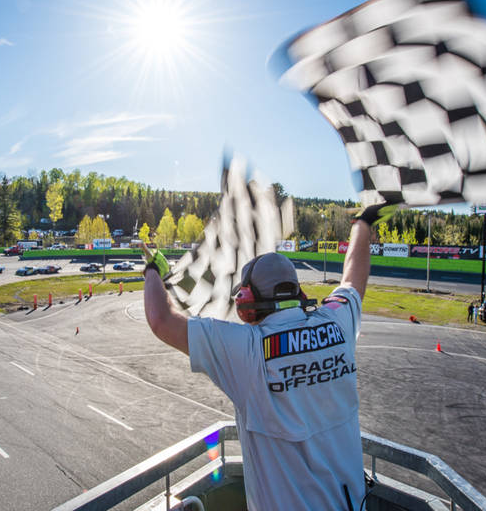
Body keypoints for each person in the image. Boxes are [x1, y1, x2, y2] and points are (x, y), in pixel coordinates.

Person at [142, 204, 393, 511]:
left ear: (247, 302)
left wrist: (153, 270)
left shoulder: (247, 350)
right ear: (297, 293)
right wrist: (362, 223)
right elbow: (352, 281)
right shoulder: (337, 322)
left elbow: (161, 320)